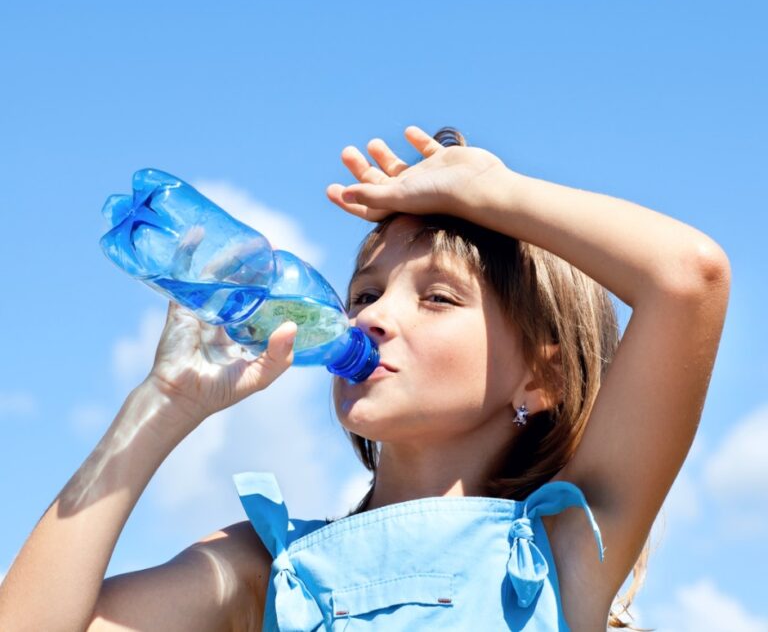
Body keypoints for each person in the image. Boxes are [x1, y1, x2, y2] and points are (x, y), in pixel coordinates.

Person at [0, 126, 730, 631]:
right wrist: (160, 406)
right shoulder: (271, 565)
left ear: (542, 378)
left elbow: (688, 280)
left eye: (438, 297)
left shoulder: (564, 548)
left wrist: (489, 195)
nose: (374, 318)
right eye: (364, 294)